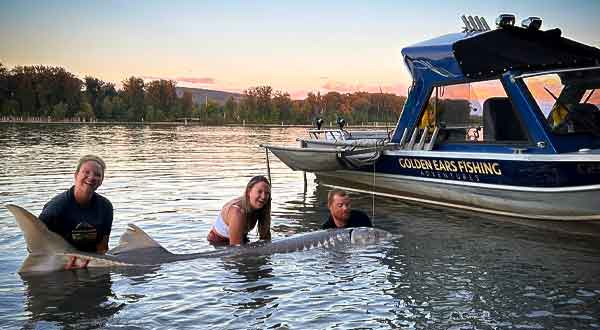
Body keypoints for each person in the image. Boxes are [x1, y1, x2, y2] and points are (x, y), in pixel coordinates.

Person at [39, 155, 113, 269]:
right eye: (86, 172)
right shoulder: (55, 208)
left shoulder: (106, 206)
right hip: (61, 264)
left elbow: (102, 247)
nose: (91, 177)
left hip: (92, 264)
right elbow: (37, 246)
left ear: (101, 181)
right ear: (76, 175)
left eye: (97, 175)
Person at [207, 175, 272, 245]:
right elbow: (236, 249)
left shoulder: (262, 207)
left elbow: (266, 239)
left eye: (267, 193)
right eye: (259, 191)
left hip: (242, 238)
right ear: (248, 192)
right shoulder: (237, 212)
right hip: (219, 242)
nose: (263, 197)